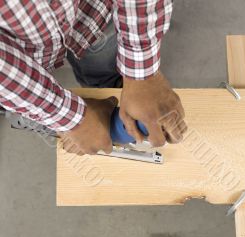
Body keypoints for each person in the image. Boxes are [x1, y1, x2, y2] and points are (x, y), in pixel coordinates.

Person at [0, 0, 187, 155]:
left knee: (102, 65)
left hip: (90, 13)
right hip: (19, 56)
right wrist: (65, 115)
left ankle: (110, 86)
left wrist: (142, 76)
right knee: (18, 99)